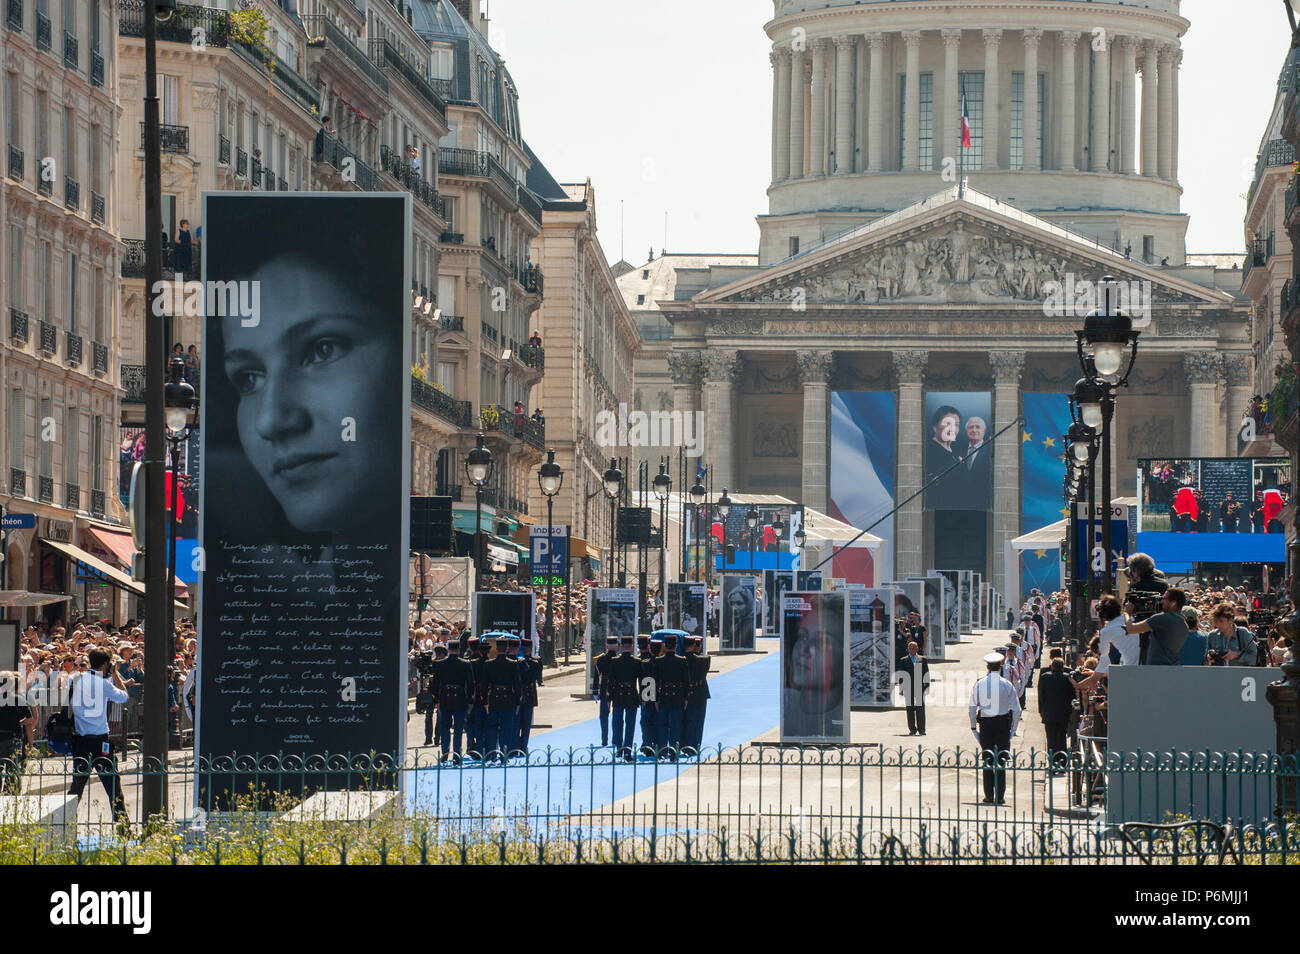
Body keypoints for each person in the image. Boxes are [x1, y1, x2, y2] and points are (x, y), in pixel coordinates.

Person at [66, 648, 129, 824]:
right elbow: (124, 696)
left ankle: (66, 823)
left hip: (81, 741)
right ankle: (123, 826)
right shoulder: (104, 684)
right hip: (101, 742)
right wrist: (115, 674)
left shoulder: (76, 679)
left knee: (76, 787)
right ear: (105, 664)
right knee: (114, 788)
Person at [968, 652, 1021, 806]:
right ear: (1000, 667)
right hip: (1002, 724)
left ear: (988, 667)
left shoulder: (980, 683)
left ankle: (989, 795)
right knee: (1001, 761)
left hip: (986, 724)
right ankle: (1000, 796)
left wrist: (973, 727)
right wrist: (1012, 730)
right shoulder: (1007, 684)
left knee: (988, 760)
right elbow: (1017, 710)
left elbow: (972, 707)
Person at [1124, 587, 1189, 665]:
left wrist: (1127, 613)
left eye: (1165, 599)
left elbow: (1131, 629)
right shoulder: (1183, 622)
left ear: (1173, 603)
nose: (1161, 602)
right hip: (1173, 668)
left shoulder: (1162, 618)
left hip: (1156, 670)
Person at [436, 639, 474, 763]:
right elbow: (470, 684)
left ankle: (444, 754)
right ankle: (457, 755)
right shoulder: (466, 663)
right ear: (458, 650)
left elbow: (435, 684)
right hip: (460, 698)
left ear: (449, 650)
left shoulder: (440, 664)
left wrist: (437, 701)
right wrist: (469, 700)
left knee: (445, 727)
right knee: (458, 729)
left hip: (445, 698)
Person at [1036, 650, 1075, 771]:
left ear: (1052, 666)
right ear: (1063, 667)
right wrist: (1070, 712)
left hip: (1049, 712)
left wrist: (1041, 711)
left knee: (1051, 738)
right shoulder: (1067, 679)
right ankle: (1062, 763)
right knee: (1062, 738)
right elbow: (1071, 696)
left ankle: (1052, 763)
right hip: (1063, 713)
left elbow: (1041, 696)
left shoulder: (1045, 677)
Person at [652, 632, 688, 758]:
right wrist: (686, 698)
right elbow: (686, 681)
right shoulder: (682, 661)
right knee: (675, 725)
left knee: (662, 725)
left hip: (664, 695)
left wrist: (656, 699)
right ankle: (674, 751)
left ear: (665, 646)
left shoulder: (659, 661)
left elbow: (655, 681)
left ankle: (662, 751)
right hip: (678, 695)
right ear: (676, 645)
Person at [0, 671, 34, 794]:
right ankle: (9, 795)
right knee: (12, 770)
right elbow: (30, 719)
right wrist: (20, 722)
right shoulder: (17, 699)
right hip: (12, 738)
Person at [609, 636, 642, 761]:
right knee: (630, 724)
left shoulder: (614, 661)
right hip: (631, 694)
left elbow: (611, 681)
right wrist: (641, 697)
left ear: (621, 647)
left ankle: (618, 749)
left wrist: (610, 697)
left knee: (617, 723)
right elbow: (642, 681)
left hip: (618, 694)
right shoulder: (637, 662)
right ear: (632, 647)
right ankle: (627, 750)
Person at [683, 634, 710, 756]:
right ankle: (695, 745)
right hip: (700, 692)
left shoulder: (682, 659)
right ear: (695, 646)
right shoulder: (703, 659)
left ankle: (686, 745)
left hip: (686, 693)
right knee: (698, 722)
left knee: (687, 721)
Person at [895, 641, 930, 736]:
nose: (912, 650)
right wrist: (901, 688)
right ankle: (912, 729)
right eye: (910, 648)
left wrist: (926, 686)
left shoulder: (922, 659)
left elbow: (926, 674)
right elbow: (901, 675)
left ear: (917, 648)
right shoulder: (903, 660)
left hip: (919, 688)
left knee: (920, 709)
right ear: (908, 649)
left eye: (914, 648)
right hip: (908, 687)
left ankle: (921, 729)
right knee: (910, 709)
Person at [1207, 603, 1257, 667]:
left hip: (1240, 675)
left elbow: (1254, 658)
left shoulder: (1242, 633)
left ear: (1231, 620)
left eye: (1221, 621)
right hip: (1218, 674)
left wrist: (1237, 655)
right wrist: (1209, 658)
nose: (1217, 624)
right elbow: (1205, 661)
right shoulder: (1212, 636)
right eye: (1216, 621)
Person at [516, 636, 543, 754]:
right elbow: (537, 677)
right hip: (530, 694)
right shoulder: (536, 662)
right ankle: (523, 747)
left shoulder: (518, 662)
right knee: (526, 725)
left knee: (517, 724)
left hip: (518, 694)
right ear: (531, 649)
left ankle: (517, 746)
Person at [594, 635, 619, 746]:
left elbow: (596, 676)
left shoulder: (600, 659)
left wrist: (595, 691)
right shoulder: (619, 659)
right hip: (618, 689)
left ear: (606, 646)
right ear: (617, 646)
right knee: (617, 716)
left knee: (604, 716)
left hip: (605, 688)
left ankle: (604, 739)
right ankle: (615, 739)